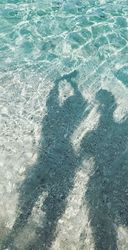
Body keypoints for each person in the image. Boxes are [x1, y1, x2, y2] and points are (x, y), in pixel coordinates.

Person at [3, 70, 88, 250]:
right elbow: (82, 101)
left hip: (44, 163)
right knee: (51, 215)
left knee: (27, 208)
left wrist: (61, 81)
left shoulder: (50, 118)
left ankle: (9, 241)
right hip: (64, 165)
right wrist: (73, 84)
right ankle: (40, 244)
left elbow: (54, 98)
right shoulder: (71, 124)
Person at [80, 86, 128, 250]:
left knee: (105, 245)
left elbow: (77, 162)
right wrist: (125, 81)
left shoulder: (90, 138)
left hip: (102, 192)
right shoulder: (123, 127)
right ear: (114, 106)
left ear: (98, 109)